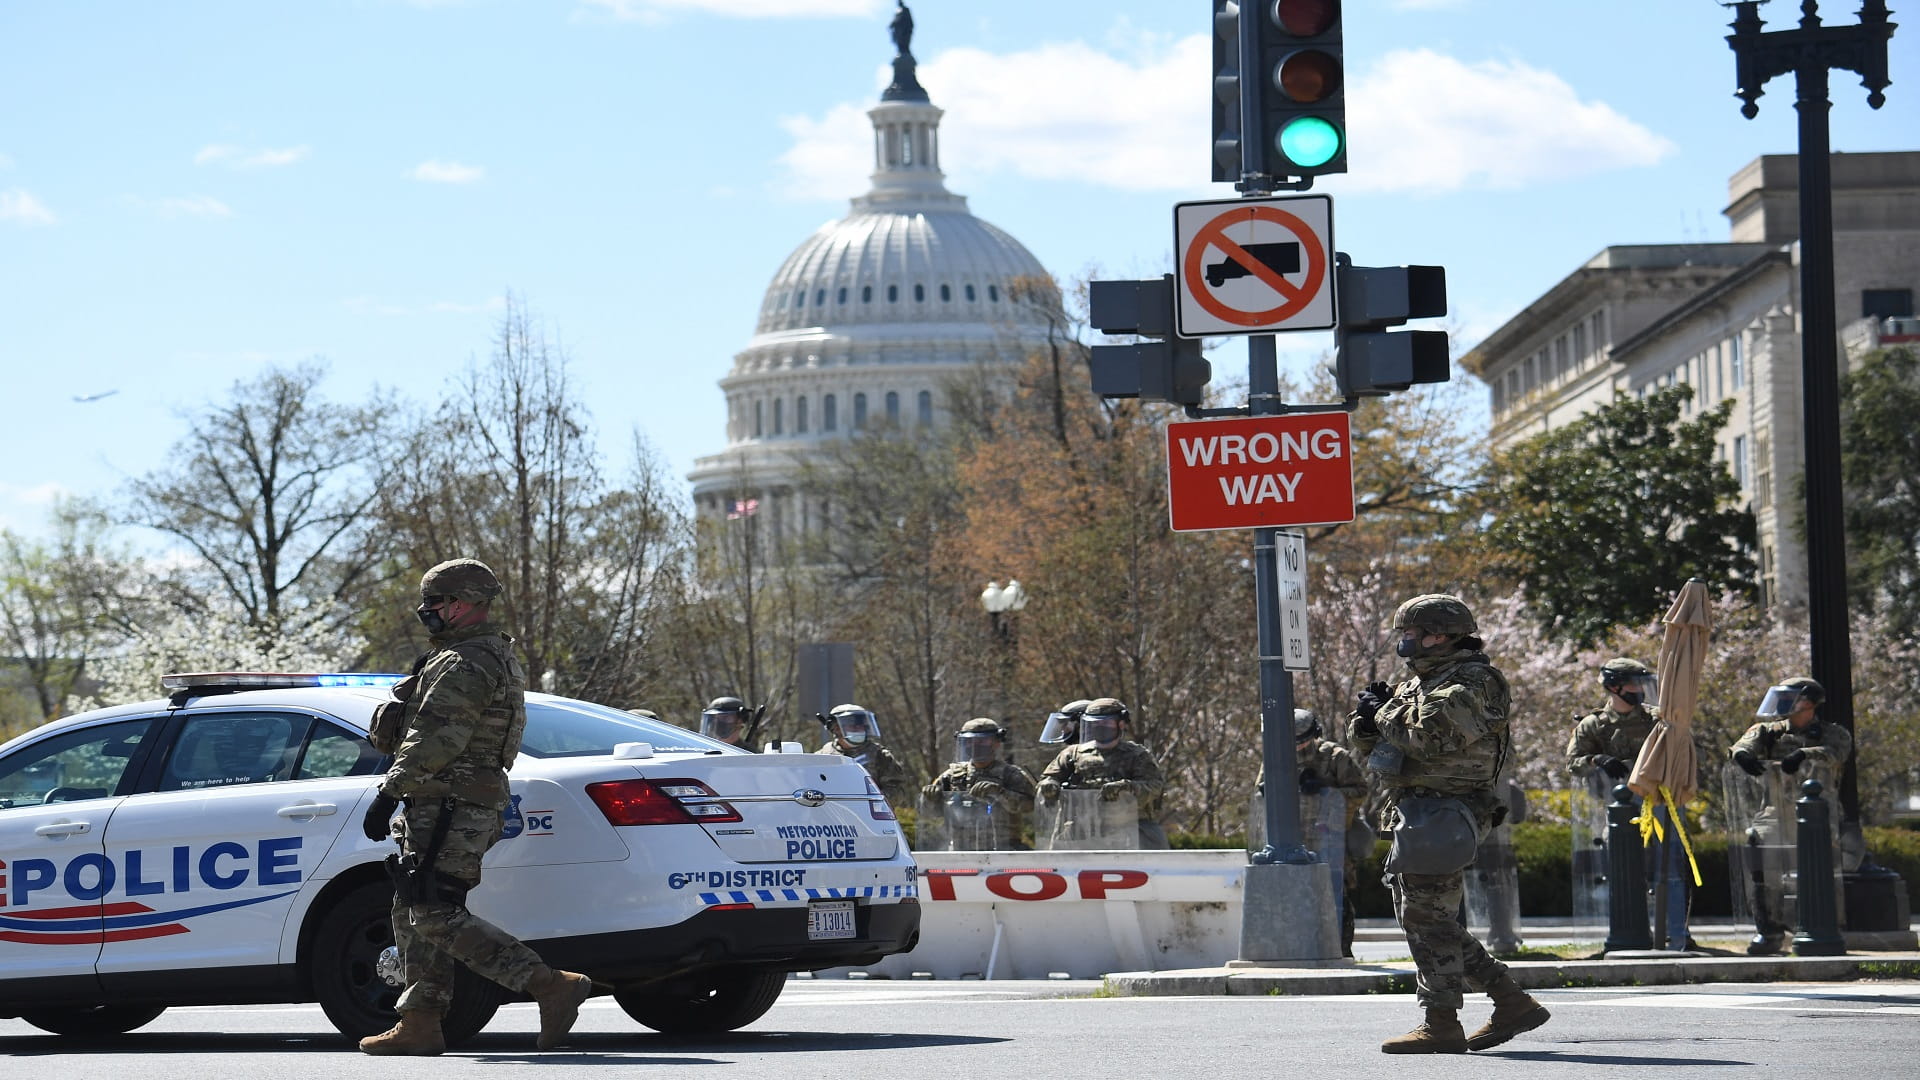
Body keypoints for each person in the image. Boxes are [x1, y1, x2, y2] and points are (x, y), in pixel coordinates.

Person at [358, 558, 593, 1055]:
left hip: (450, 801)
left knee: (435, 912)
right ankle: (420, 1020)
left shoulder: (466, 662)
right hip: (442, 798)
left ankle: (548, 984)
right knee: (415, 904)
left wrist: (389, 792)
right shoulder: (462, 654)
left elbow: (437, 736)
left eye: (434, 603)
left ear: (461, 604)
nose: (426, 612)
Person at [1348, 593, 1549, 1054]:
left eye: (1412, 633)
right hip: (1418, 811)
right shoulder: (1421, 683)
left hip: (1451, 810)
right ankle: (1507, 1000)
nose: (1405, 641)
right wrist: (1364, 721)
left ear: (1440, 635)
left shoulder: (1475, 683)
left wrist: (1383, 714)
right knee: (1420, 914)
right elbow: (1380, 745)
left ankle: (1444, 1020)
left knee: (1425, 915)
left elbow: (1426, 737)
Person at [1565, 658, 1693, 950]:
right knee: (1623, 869)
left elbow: (1680, 748)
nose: (1640, 689)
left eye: (1641, 683)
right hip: (1619, 812)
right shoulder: (1594, 724)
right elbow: (1573, 763)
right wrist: (1597, 759)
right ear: (1614, 686)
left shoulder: (1656, 720)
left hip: (1660, 802)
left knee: (1672, 867)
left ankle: (1677, 933)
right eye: (1634, 683)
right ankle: (1629, 932)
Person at [1728, 675, 1854, 955]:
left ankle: (1823, 927)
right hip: (1775, 810)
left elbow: (1836, 753)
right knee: (1762, 857)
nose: (1783, 704)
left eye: (1792, 697)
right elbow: (1741, 747)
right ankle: (1769, 931)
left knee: (1820, 870)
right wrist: (1742, 756)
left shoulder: (1833, 732)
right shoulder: (1768, 731)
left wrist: (1804, 754)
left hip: (1818, 812)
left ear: (1810, 703)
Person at [1256, 708, 1368, 955]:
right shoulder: (1274, 760)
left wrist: (1325, 792)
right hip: (1289, 844)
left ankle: (1339, 951)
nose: (1298, 749)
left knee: (1335, 900)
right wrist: (1270, 791)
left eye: (1302, 742)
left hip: (1331, 843)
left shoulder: (1336, 757)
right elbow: (1260, 793)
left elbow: (1359, 791)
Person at [1038, 697, 1168, 849]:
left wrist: (1126, 788)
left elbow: (1155, 787)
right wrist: (1049, 785)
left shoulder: (1136, 755)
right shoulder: (1072, 754)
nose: (1099, 727)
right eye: (1095, 723)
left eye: (1105, 723)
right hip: (1079, 834)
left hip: (1128, 833)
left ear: (1120, 724)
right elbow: (1048, 779)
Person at [921, 718, 1038, 849]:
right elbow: (931, 813)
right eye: (970, 741)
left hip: (1004, 849)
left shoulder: (1011, 774)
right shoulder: (952, 776)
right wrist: (932, 798)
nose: (975, 746)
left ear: (997, 742)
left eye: (983, 741)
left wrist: (1000, 793)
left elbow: (1030, 806)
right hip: (961, 849)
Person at [816, 703, 913, 807]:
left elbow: (897, 789)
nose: (858, 729)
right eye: (852, 725)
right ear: (835, 728)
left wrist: (874, 802)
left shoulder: (880, 755)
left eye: (861, 725)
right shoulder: (821, 756)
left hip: (869, 819)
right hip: (831, 817)